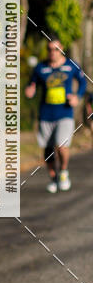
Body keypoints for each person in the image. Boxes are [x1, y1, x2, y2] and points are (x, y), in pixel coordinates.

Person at [24, 37, 86, 192]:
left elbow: (83, 82)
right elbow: (31, 84)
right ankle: (53, 178)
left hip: (65, 113)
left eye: (56, 49)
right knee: (47, 149)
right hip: (45, 114)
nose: (52, 52)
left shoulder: (71, 66)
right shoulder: (40, 68)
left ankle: (64, 171)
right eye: (50, 49)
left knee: (61, 144)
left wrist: (77, 96)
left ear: (61, 49)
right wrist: (29, 90)